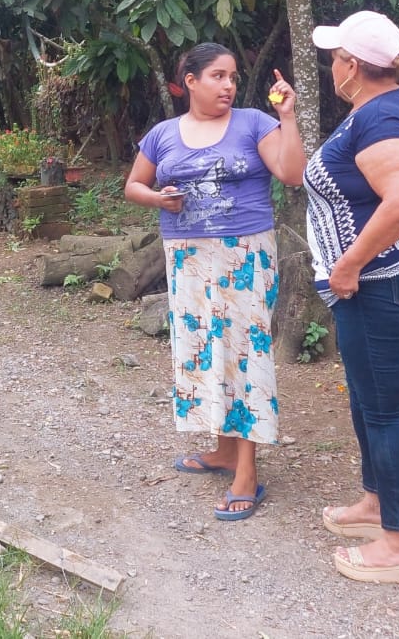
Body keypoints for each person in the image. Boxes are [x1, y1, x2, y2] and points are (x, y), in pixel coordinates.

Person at [124, 43, 305, 521]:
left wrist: (287, 117)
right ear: (190, 81)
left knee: (243, 354)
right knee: (204, 348)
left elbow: (291, 174)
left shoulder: (254, 123)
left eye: (233, 77)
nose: (228, 85)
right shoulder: (162, 134)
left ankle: (247, 471)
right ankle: (224, 451)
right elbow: (133, 185)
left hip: (243, 255)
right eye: (218, 76)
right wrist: (158, 199)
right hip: (186, 257)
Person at [306, 11, 399, 584]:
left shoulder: (383, 116)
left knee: (386, 409)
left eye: (335, 58)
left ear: (351, 65)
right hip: (378, 277)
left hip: (381, 279)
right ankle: (375, 504)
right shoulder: (384, 106)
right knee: (368, 398)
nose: (331, 67)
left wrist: (349, 264)